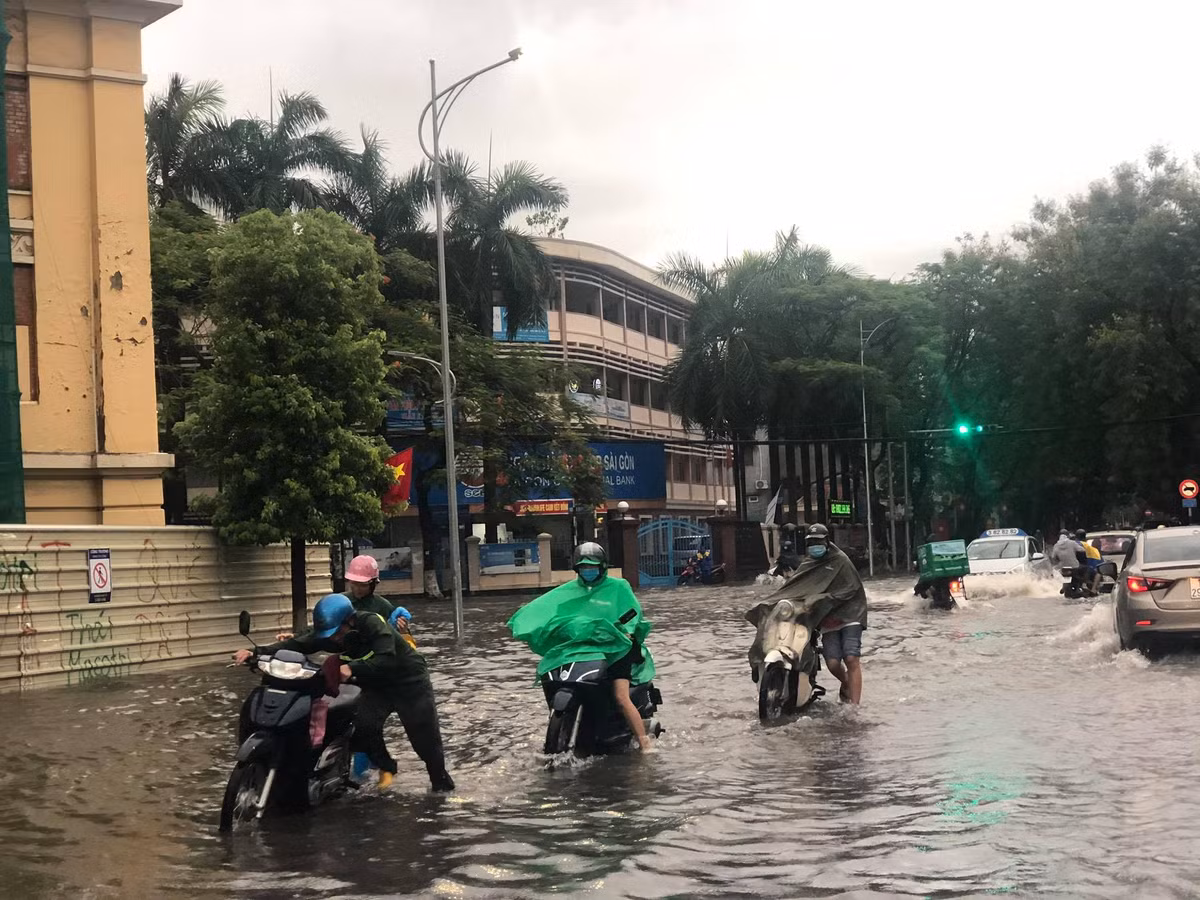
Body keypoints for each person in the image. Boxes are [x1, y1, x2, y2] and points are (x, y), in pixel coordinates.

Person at [233, 593, 454, 793]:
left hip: (409, 683)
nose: (335, 639)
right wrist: (255, 652)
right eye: (330, 636)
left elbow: (386, 657)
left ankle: (441, 787)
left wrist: (351, 668)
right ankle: (387, 767)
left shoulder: (373, 623)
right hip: (377, 686)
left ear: (350, 621)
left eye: (338, 633)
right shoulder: (330, 636)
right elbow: (298, 643)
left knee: (425, 741)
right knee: (363, 727)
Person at [508, 542, 655, 751]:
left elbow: (632, 611)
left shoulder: (618, 587)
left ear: (602, 567)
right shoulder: (568, 591)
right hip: (582, 649)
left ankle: (644, 742)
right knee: (553, 671)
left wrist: (627, 629)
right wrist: (526, 622)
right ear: (577, 569)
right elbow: (546, 610)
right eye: (584, 567)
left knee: (621, 697)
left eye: (592, 566)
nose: (588, 570)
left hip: (618, 648)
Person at [807, 524, 869, 704]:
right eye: (811, 542)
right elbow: (798, 586)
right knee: (833, 663)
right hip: (827, 619)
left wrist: (826, 598)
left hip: (851, 615)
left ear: (826, 541)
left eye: (818, 541)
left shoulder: (841, 560)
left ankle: (855, 707)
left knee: (851, 657)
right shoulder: (809, 564)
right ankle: (847, 683)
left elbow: (851, 588)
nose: (815, 545)